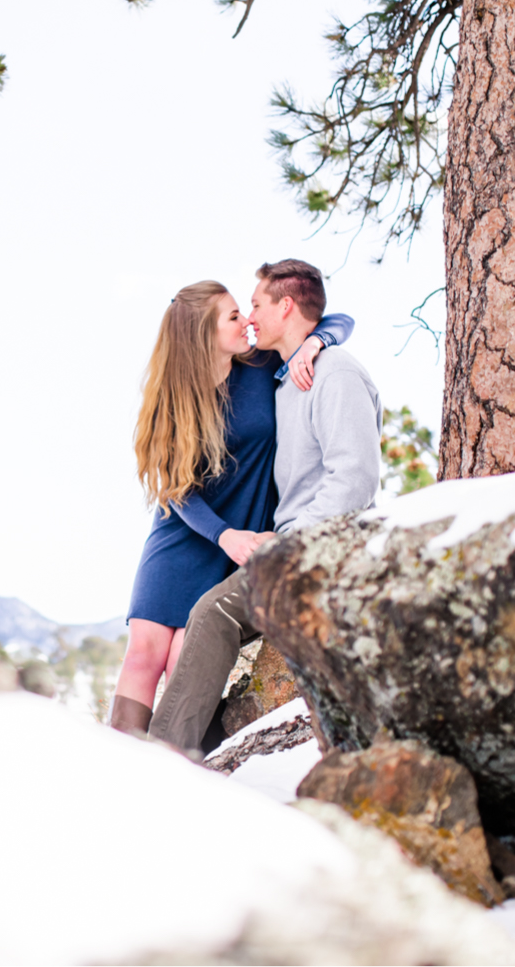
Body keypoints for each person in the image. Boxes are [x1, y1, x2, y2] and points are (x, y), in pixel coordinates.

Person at [147, 259, 381, 753]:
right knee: (185, 636)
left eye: (255, 305)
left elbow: (356, 478)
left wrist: (292, 541)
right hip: (289, 544)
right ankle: (199, 755)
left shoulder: (333, 372)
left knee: (212, 615)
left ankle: (164, 759)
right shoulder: (282, 377)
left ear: (286, 306)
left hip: (318, 546)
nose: (250, 317)